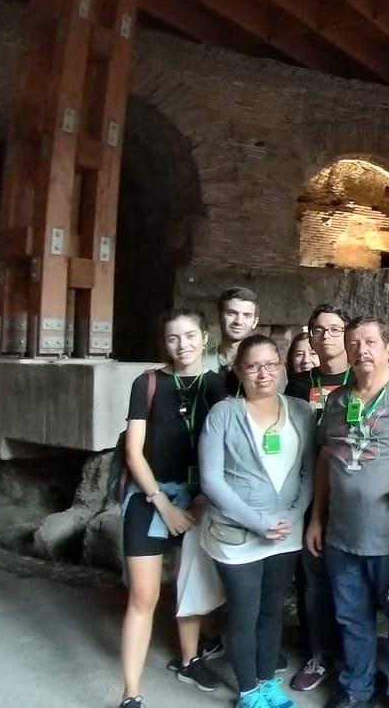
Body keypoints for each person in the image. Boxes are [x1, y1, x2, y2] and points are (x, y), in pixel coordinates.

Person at [307, 317, 389, 708]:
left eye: (370, 342)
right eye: (354, 343)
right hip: (342, 536)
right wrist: (317, 517)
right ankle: (356, 688)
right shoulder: (336, 400)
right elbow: (323, 461)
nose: (361, 350)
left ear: (387, 347)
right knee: (351, 619)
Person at [117, 309, 229, 708]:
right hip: (150, 497)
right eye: (172, 338)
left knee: (190, 589)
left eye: (189, 336)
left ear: (204, 337)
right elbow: (134, 451)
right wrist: (162, 504)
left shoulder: (218, 385)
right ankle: (131, 692)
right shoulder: (146, 384)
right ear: (164, 343)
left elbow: (225, 448)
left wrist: (198, 504)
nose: (182, 346)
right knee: (143, 596)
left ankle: (188, 659)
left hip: (200, 498)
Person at [199, 335, 316, 708]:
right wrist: (258, 522)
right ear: (238, 371)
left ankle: (267, 683)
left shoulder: (299, 410)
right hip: (237, 534)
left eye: (271, 364)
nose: (263, 373)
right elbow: (211, 480)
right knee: (244, 613)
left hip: (286, 532)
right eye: (252, 366)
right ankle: (248, 691)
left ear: (282, 368)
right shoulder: (223, 413)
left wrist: (291, 517)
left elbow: (309, 472)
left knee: (272, 611)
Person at [284, 304, 352, 693]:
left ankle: (353, 657)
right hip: (309, 493)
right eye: (318, 330)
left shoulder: (358, 379)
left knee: (352, 581)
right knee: (312, 581)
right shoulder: (297, 385)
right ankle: (319, 653)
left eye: (334, 329)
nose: (325, 337)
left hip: (354, 495)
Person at [203, 286, 260, 376]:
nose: (238, 321)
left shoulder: (267, 367)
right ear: (219, 317)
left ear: (255, 322)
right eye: (231, 313)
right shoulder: (200, 363)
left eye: (246, 315)